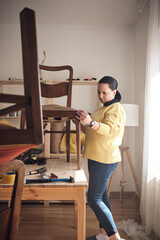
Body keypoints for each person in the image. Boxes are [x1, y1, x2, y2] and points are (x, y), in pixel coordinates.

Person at [75, 76, 126, 240]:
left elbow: (109, 130)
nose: (100, 96)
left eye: (104, 92)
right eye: (98, 92)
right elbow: (96, 130)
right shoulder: (103, 108)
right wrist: (85, 120)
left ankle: (114, 237)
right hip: (96, 157)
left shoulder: (116, 109)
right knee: (102, 197)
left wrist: (90, 122)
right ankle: (104, 234)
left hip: (105, 159)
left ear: (114, 92)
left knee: (93, 199)